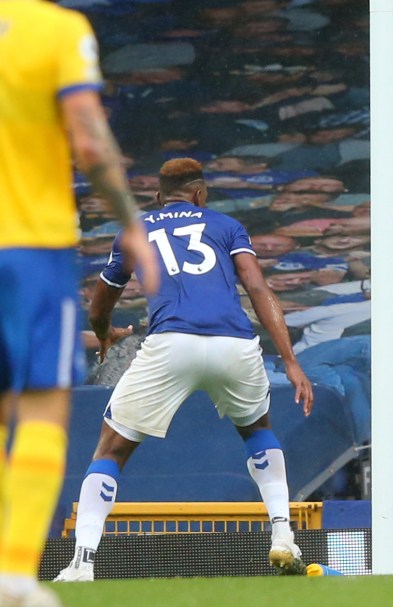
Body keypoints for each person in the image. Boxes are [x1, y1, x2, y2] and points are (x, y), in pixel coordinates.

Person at [54, 159, 314, 582]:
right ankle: (282, 534)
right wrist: (289, 359)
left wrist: (105, 335)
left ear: (159, 198)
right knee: (258, 431)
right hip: (234, 343)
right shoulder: (227, 225)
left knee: (110, 450)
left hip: (171, 342)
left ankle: (82, 563)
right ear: (200, 194)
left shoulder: (135, 229)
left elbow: (100, 304)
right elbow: (257, 287)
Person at [0, 0, 159, 605]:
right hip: (28, 247)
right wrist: (130, 226)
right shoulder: (58, 31)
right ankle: (12, 571)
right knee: (40, 404)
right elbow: (90, 140)